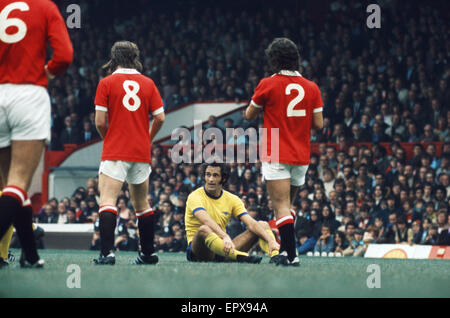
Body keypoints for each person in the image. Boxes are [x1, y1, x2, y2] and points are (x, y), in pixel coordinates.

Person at [0, 0, 73, 268]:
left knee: (11, 185)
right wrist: (48, 73)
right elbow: (64, 56)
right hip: (28, 94)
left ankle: (30, 256)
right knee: (18, 183)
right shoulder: (44, 7)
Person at [245, 37, 323, 266]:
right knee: (286, 207)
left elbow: (249, 114)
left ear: (273, 60)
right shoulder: (312, 87)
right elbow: (319, 124)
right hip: (300, 154)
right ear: (296, 59)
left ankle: (291, 255)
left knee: (280, 207)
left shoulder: (267, 84)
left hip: (276, 150)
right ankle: (288, 253)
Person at [92, 41, 165, 265]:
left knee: (107, 201)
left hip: (116, 150)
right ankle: (148, 254)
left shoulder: (106, 83)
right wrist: (147, 138)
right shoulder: (148, 83)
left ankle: (107, 254)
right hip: (140, 152)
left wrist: (110, 139)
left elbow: (100, 122)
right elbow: (160, 118)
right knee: (142, 204)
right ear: (135, 57)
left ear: (113, 58)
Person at [185, 162, 280, 264]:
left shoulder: (232, 199)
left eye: (215, 175)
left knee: (262, 225)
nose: (211, 179)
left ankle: (276, 256)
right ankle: (239, 256)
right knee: (204, 229)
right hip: (199, 251)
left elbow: (250, 223)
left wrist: (270, 240)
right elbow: (206, 220)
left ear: (224, 178)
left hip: (223, 248)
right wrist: (225, 236)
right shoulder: (194, 196)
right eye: (208, 175)